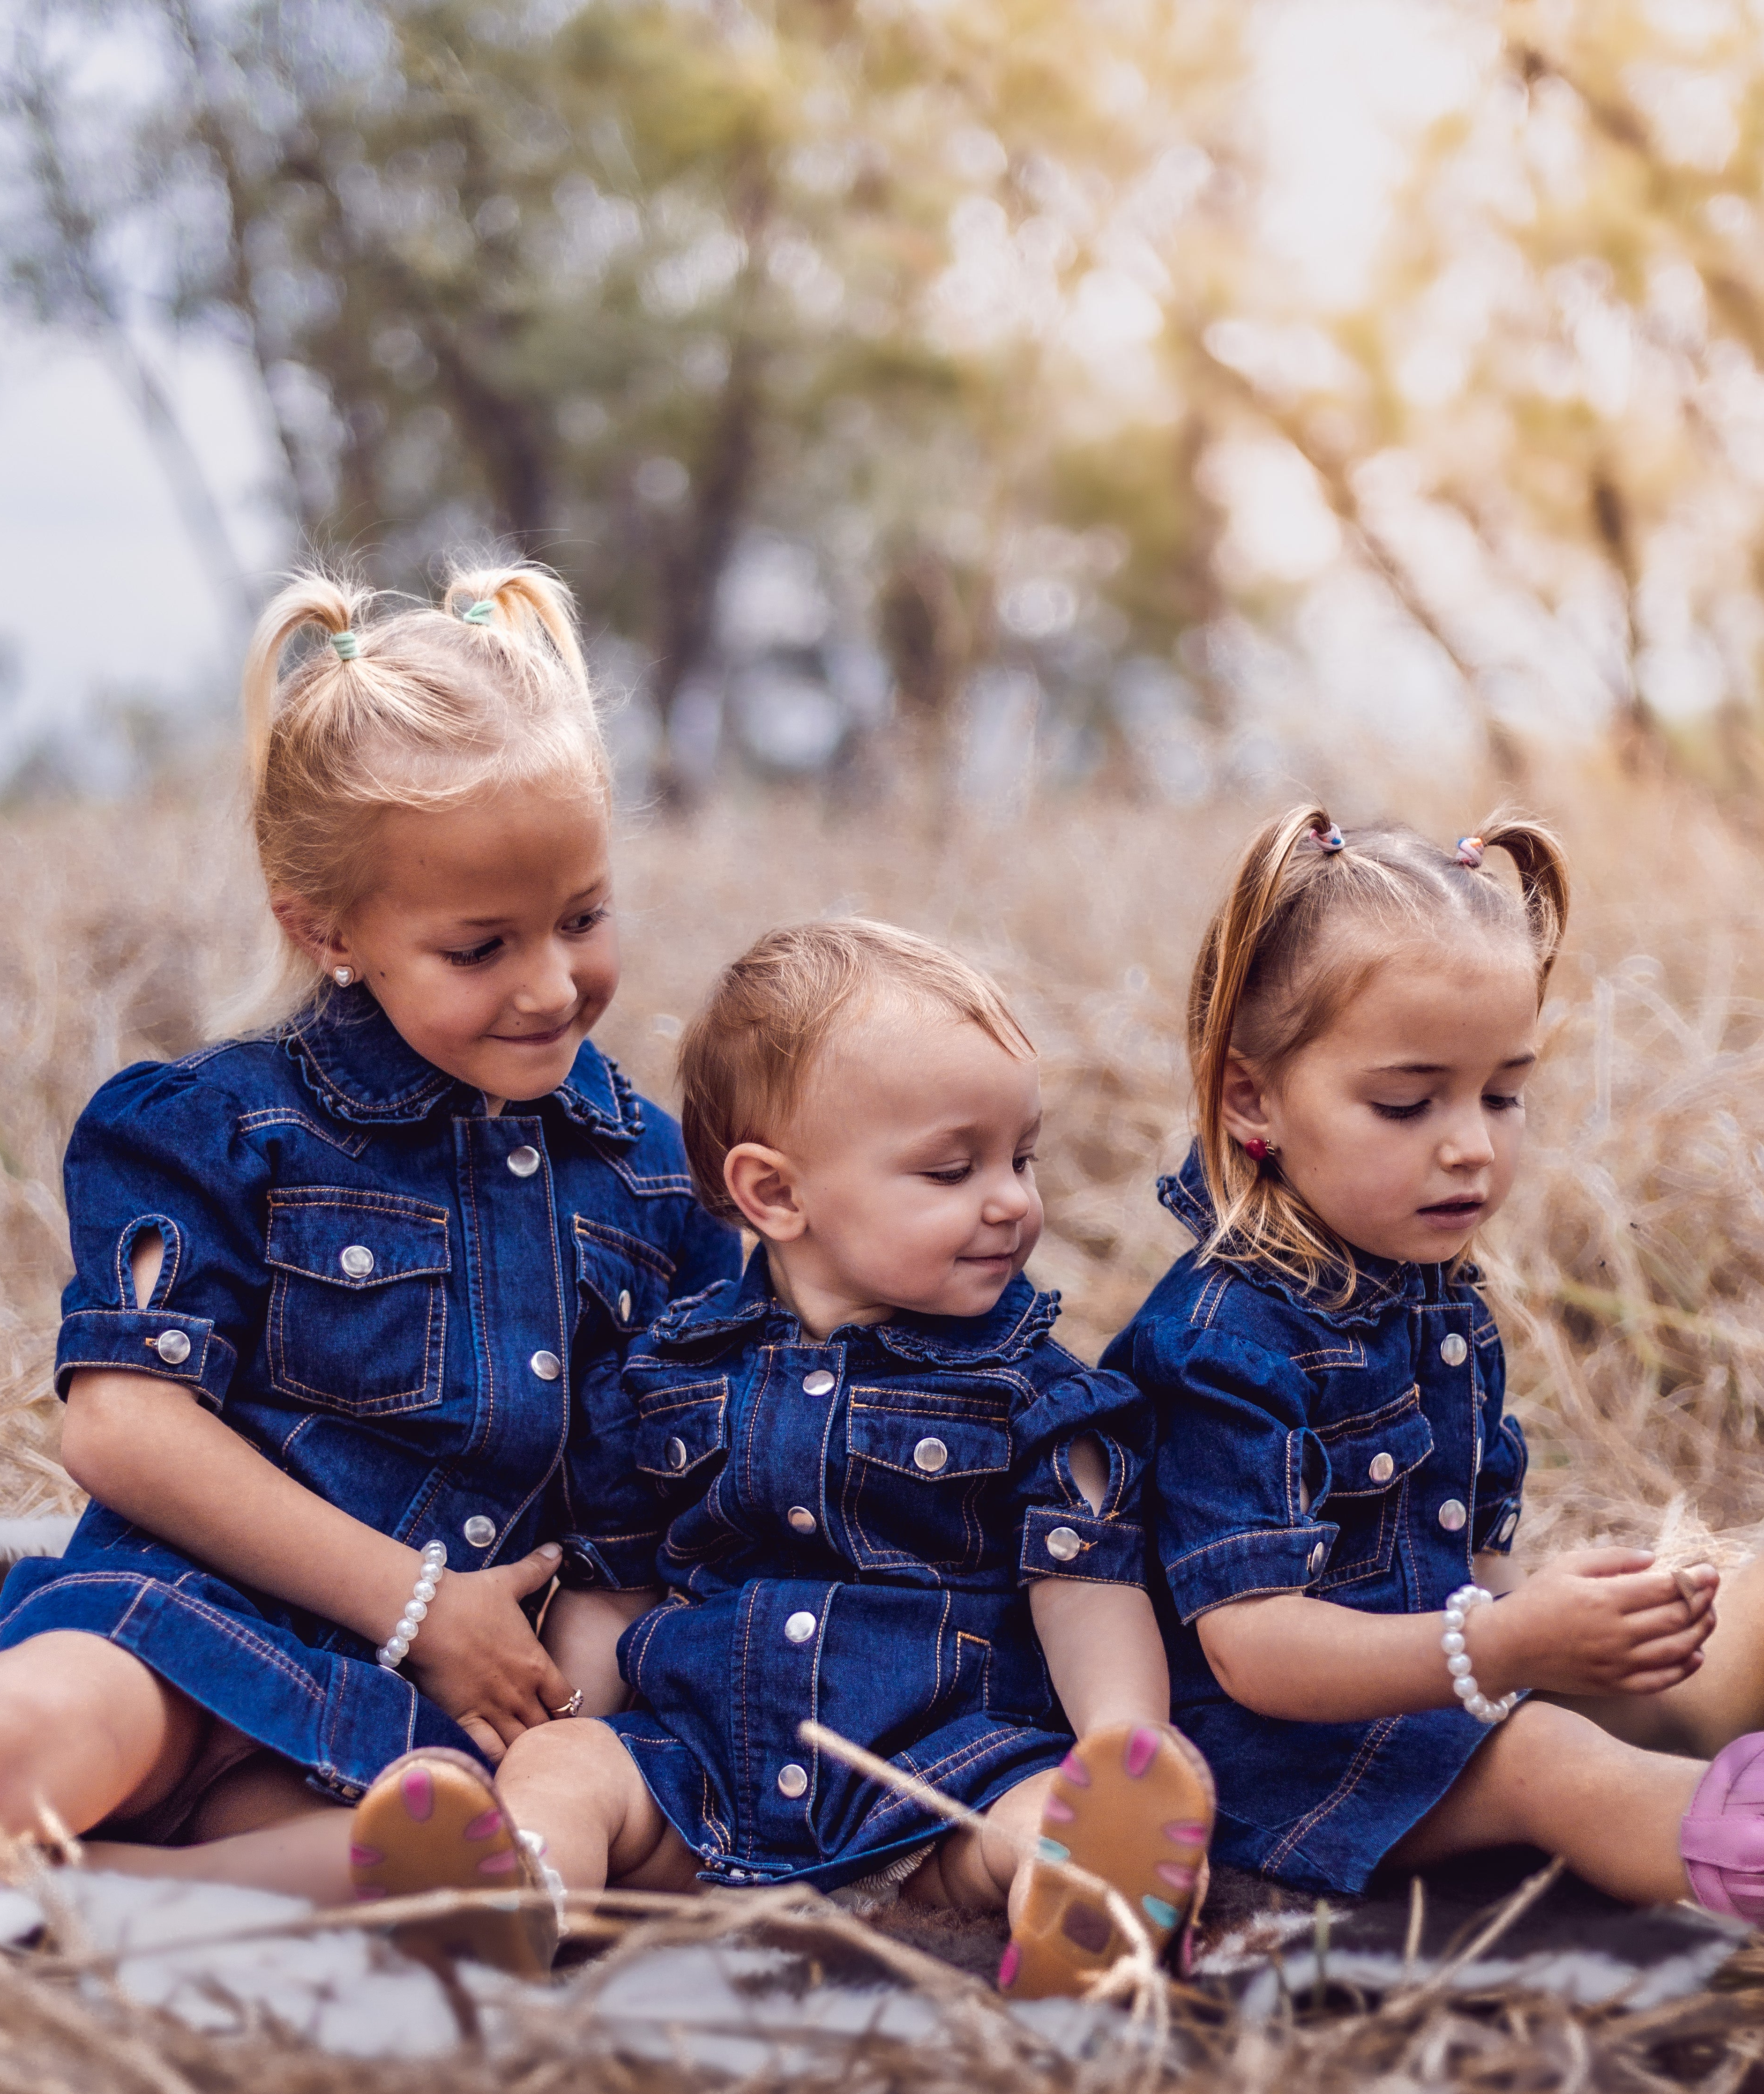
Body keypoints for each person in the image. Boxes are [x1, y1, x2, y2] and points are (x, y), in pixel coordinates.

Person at [0, 564, 739, 1884]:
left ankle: (99, 1895)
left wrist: (558, 1691)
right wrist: (416, 1602)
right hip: (182, 1623)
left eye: (581, 917)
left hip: (417, 1718)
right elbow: (122, 1423)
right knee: (27, 1739)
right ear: (322, 925)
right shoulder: (218, 1124)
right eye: (479, 947)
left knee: (479, 1859)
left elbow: (648, 1514)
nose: (552, 985)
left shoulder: (659, 1184)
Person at [299, 922, 1214, 1997]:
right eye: (951, 1168)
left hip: (940, 1778)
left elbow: (1085, 1592)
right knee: (568, 1771)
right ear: (777, 1194)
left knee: (1038, 1816)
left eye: (1020, 1157)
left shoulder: (1042, 1393)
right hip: (706, 1773)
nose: (1012, 1200)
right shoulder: (661, 1375)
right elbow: (617, 1585)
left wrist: (1124, 1746)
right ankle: (517, 1894)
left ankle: (1087, 1903)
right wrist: (571, 1733)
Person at [1105, 805, 1764, 1918]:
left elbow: (1457, 1553)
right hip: (1282, 1756)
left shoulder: (1431, 1295)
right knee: (1556, 1764)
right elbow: (1254, 1647)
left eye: (1502, 1093)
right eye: (1407, 1102)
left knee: (1734, 1612)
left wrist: (1563, 1608)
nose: (1470, 1143)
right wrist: (1507, 1641)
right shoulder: (1220, 1340)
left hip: (1438, 1687)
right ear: (1251, 1097)